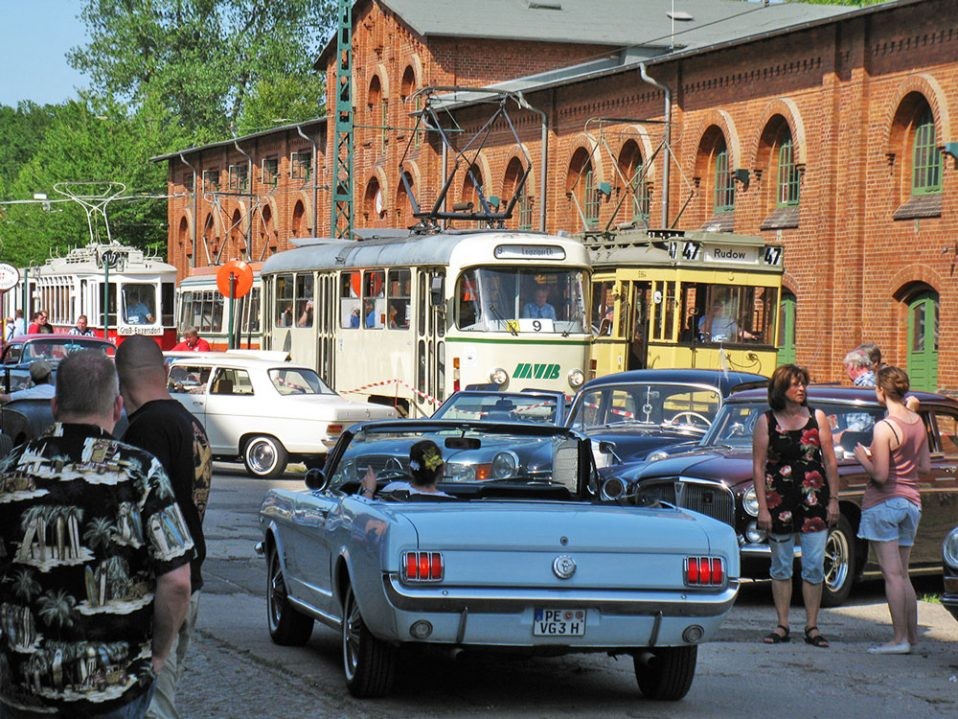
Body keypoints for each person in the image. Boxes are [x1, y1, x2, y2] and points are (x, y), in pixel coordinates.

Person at [0, 350, 193, 717]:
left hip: (22, 689)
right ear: (117, 406)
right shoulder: (141, 472)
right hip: (115, 690)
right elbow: (178, 582)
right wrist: (157, 656)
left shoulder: (8, 470)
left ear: (55, 406)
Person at [116, 336, 212, 717]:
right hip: (189, 579)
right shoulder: (188, 421)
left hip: (162, 588)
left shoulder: (147, 430)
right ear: (165, 372)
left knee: (152, 706)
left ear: (120, 381)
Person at [752, 364, 840, 648]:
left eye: (803, 383)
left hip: (814, 499)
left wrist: (834, 500)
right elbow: (758, 466)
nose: (801, 388)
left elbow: (830, 462)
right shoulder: (766, 421)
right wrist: (762, 507)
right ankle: (782, 624)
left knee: (813, 564)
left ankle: (812, 626)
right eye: (795, 384)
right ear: (781, 390)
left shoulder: (817, 417)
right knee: (781, 565)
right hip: (779, 501)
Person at [853, 366, 930, 654]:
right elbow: (924, 466)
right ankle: (912, 637)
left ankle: (899, 640)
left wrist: (863, 457)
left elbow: (881, 475)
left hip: (884, 502)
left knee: (892, 576)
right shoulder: (918, 422)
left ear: (881, 391)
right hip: (911, 502)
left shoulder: (884, 427)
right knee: (903, 574)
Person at [361, 439, 452, 498]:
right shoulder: (449, 503)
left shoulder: (393, 490)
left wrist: (368, 491)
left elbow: (369, 517)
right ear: (441, 469)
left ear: (410, 469)